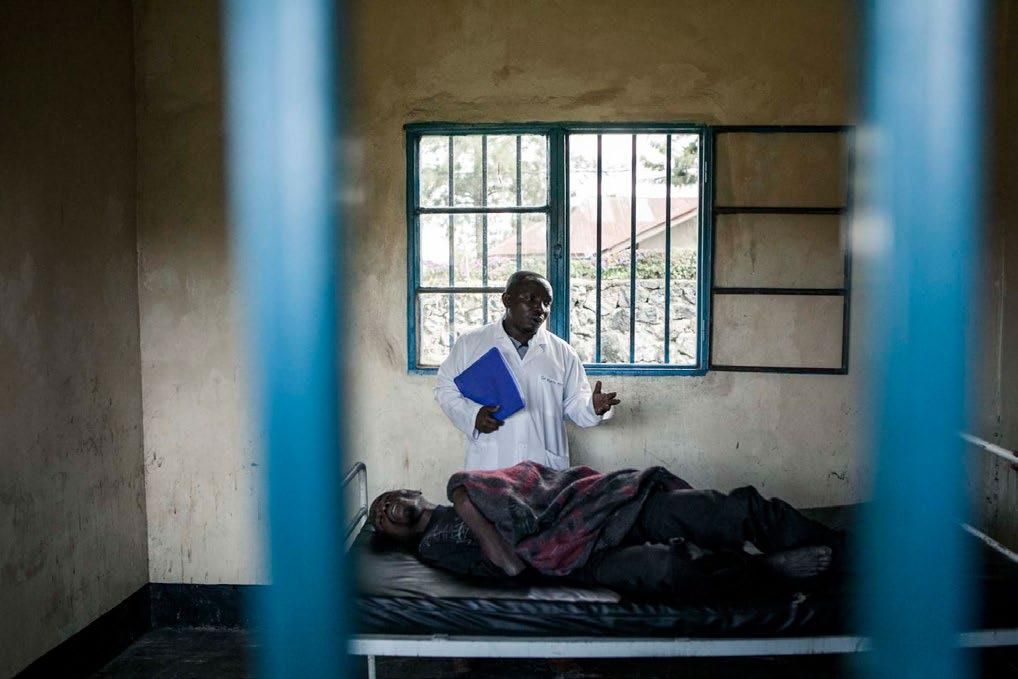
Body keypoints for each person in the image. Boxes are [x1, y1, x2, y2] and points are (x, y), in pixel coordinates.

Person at [369, 462, 842, 601]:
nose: (384, 508)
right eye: (378, 517)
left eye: (387, 498)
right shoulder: (436, 546)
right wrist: (464, 503)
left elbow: (535, 482)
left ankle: (855, 556)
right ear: (391, 535)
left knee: (726, 508)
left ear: (413, 490)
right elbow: (510, 565)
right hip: (580, 560)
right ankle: (769, 571)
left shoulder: (466, 485)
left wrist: (462, 492)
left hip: (604, 510)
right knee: (668, 570)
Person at [435, 271, 620, 471]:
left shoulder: (562, 353)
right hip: (490, 465)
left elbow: (575, 404)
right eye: (530, 299)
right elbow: (445, 389)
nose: (540, 309)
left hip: (545, 469)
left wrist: (591, 406)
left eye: (546, 303)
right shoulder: (471, 344)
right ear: (507, 300)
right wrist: (472, 416)